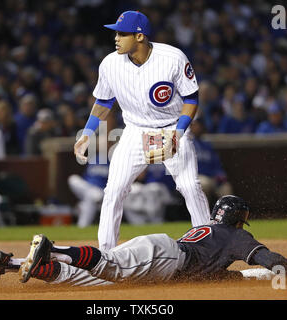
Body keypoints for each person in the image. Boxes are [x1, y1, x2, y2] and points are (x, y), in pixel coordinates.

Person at [0, 195, 287, 289]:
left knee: (78, 277)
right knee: (109, 266)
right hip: (164, 259)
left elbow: (212, 273)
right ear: (238, 219)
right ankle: (54, 248)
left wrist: (242, 279)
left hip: (162, 252)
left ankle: (10, 261)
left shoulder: (208, 232)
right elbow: (270, 257)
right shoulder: (235, 236)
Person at [73, 11, 210, 250]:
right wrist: (87, 133)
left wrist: (178, 133)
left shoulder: (172, 58)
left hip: (171, 128)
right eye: (116, 32)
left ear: (139, 36)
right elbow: (104, 102)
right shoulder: (110, 63)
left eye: (122, 33)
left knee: (189, 187)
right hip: (135, 131)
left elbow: (191, 98)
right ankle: (106, 254)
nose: (116, 38)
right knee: (113, 190)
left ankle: (210, 247)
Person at [190, 119, 233, 205]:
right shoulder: (188, 144)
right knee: (204, 184)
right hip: (197, 178)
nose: (197, 128)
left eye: (199, 126)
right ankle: (204, 216)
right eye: (195, 126)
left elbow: (217, 165)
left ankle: (224, 216)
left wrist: (220, 175)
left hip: (211, 178)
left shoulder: (207, 146)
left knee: (226, 188)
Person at [67, 155, 109, 228]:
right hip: (88, 187)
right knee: (73, 179)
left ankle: (82, 225)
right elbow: (86, 176)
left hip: (101, 191)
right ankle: (82, 206)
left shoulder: (111, 160)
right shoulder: (94, 159)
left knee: (91, 196)